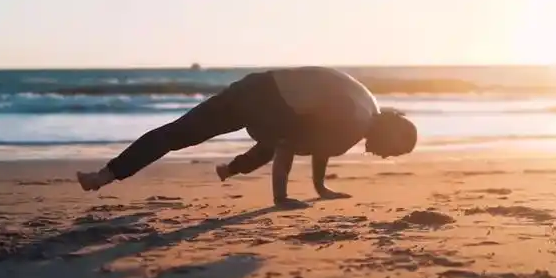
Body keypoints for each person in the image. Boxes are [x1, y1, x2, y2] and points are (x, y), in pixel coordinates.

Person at [76, 66, 418, 208]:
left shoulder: (366, 106)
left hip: (256, 85)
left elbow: (318, 142)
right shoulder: (351, 124)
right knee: (272, 145)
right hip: (267, 100)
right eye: (394, 150)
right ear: (389, 133)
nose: (387, 157)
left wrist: (319, 188)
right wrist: (280, 198)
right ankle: (236, 170)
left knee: (178, 134)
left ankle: (102, 176)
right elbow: (293, 141)